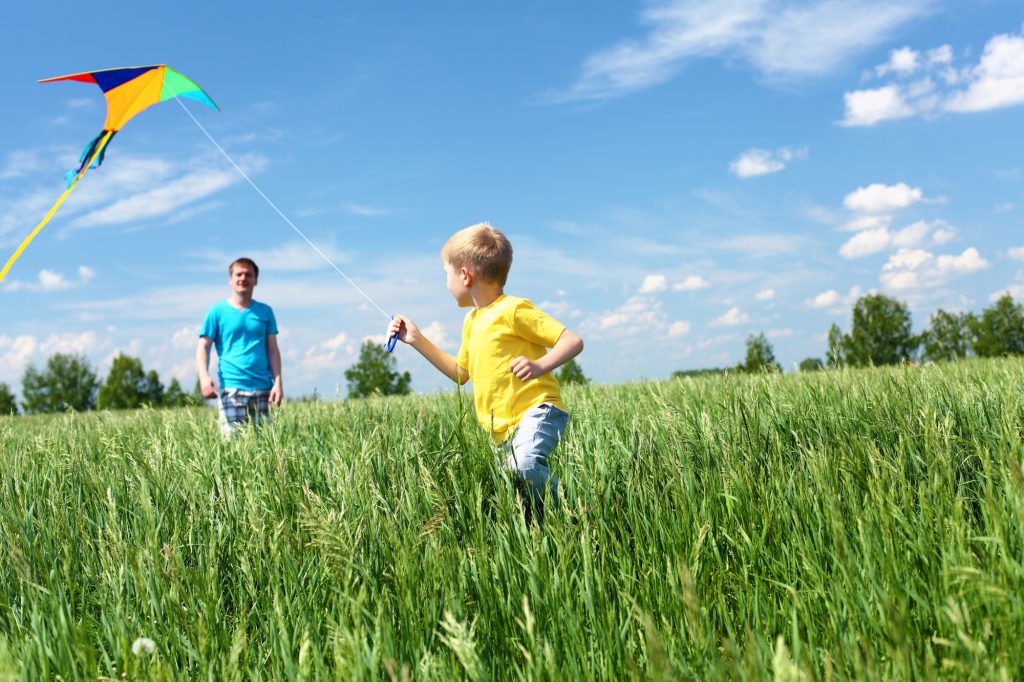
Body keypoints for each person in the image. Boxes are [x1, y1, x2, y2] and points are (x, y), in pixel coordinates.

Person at [388, 223, 583, 520]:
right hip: (502, 431)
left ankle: (575, 512)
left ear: (465, 275)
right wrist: (416, 339)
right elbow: (459, 373)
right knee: (520, 489)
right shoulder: (471, 322)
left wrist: (540, 365)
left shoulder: (514, 310)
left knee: (523, 465)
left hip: (538, 410)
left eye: (446, 274)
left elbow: (572, 341)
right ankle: (554, 528)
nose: (446, 283)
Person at [196, 257, 283, 436]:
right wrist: (204, 377)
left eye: (248, 275)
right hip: (231, 388)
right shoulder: (216, 312)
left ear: (255, 280)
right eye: (239, 274)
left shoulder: (265, 312)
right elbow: (203, 346)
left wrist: (278, 382)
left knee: (265, 447)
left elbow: (273, 349)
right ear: (230, 279)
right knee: (233, 448)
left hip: (263, 388)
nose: (243, 278)